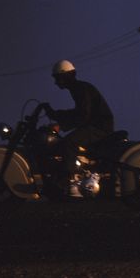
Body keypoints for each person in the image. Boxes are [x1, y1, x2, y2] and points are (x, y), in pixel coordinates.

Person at [42, 59, 114, 198]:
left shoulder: (80, 89)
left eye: (58, 78)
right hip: (94, 125)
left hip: (99, 127)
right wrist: (55, 114)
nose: (56, 82)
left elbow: (83, 116)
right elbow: (78, 112)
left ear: (65, 76)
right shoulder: (78, 88)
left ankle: (68, 182)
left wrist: (61, 125)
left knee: (68, 143)